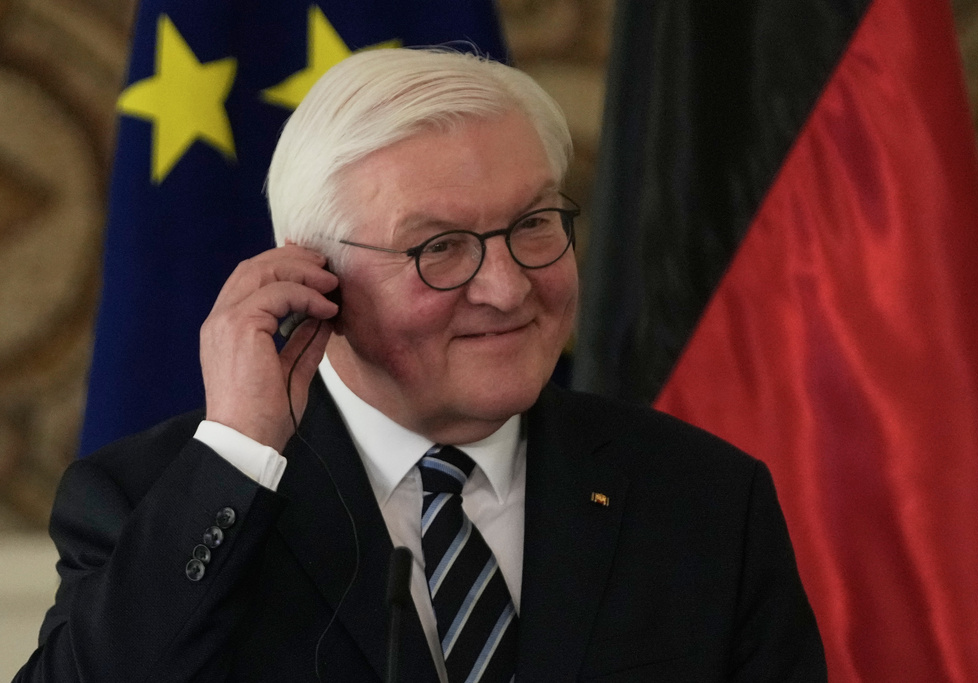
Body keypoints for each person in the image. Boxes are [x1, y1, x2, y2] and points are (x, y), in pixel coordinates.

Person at [17, 48, 825, 682]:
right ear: (313, 279)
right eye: (440, 248)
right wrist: (239, 456)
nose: (508, 288)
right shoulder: (151, 503)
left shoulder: (706, 501)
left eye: (535, 224)